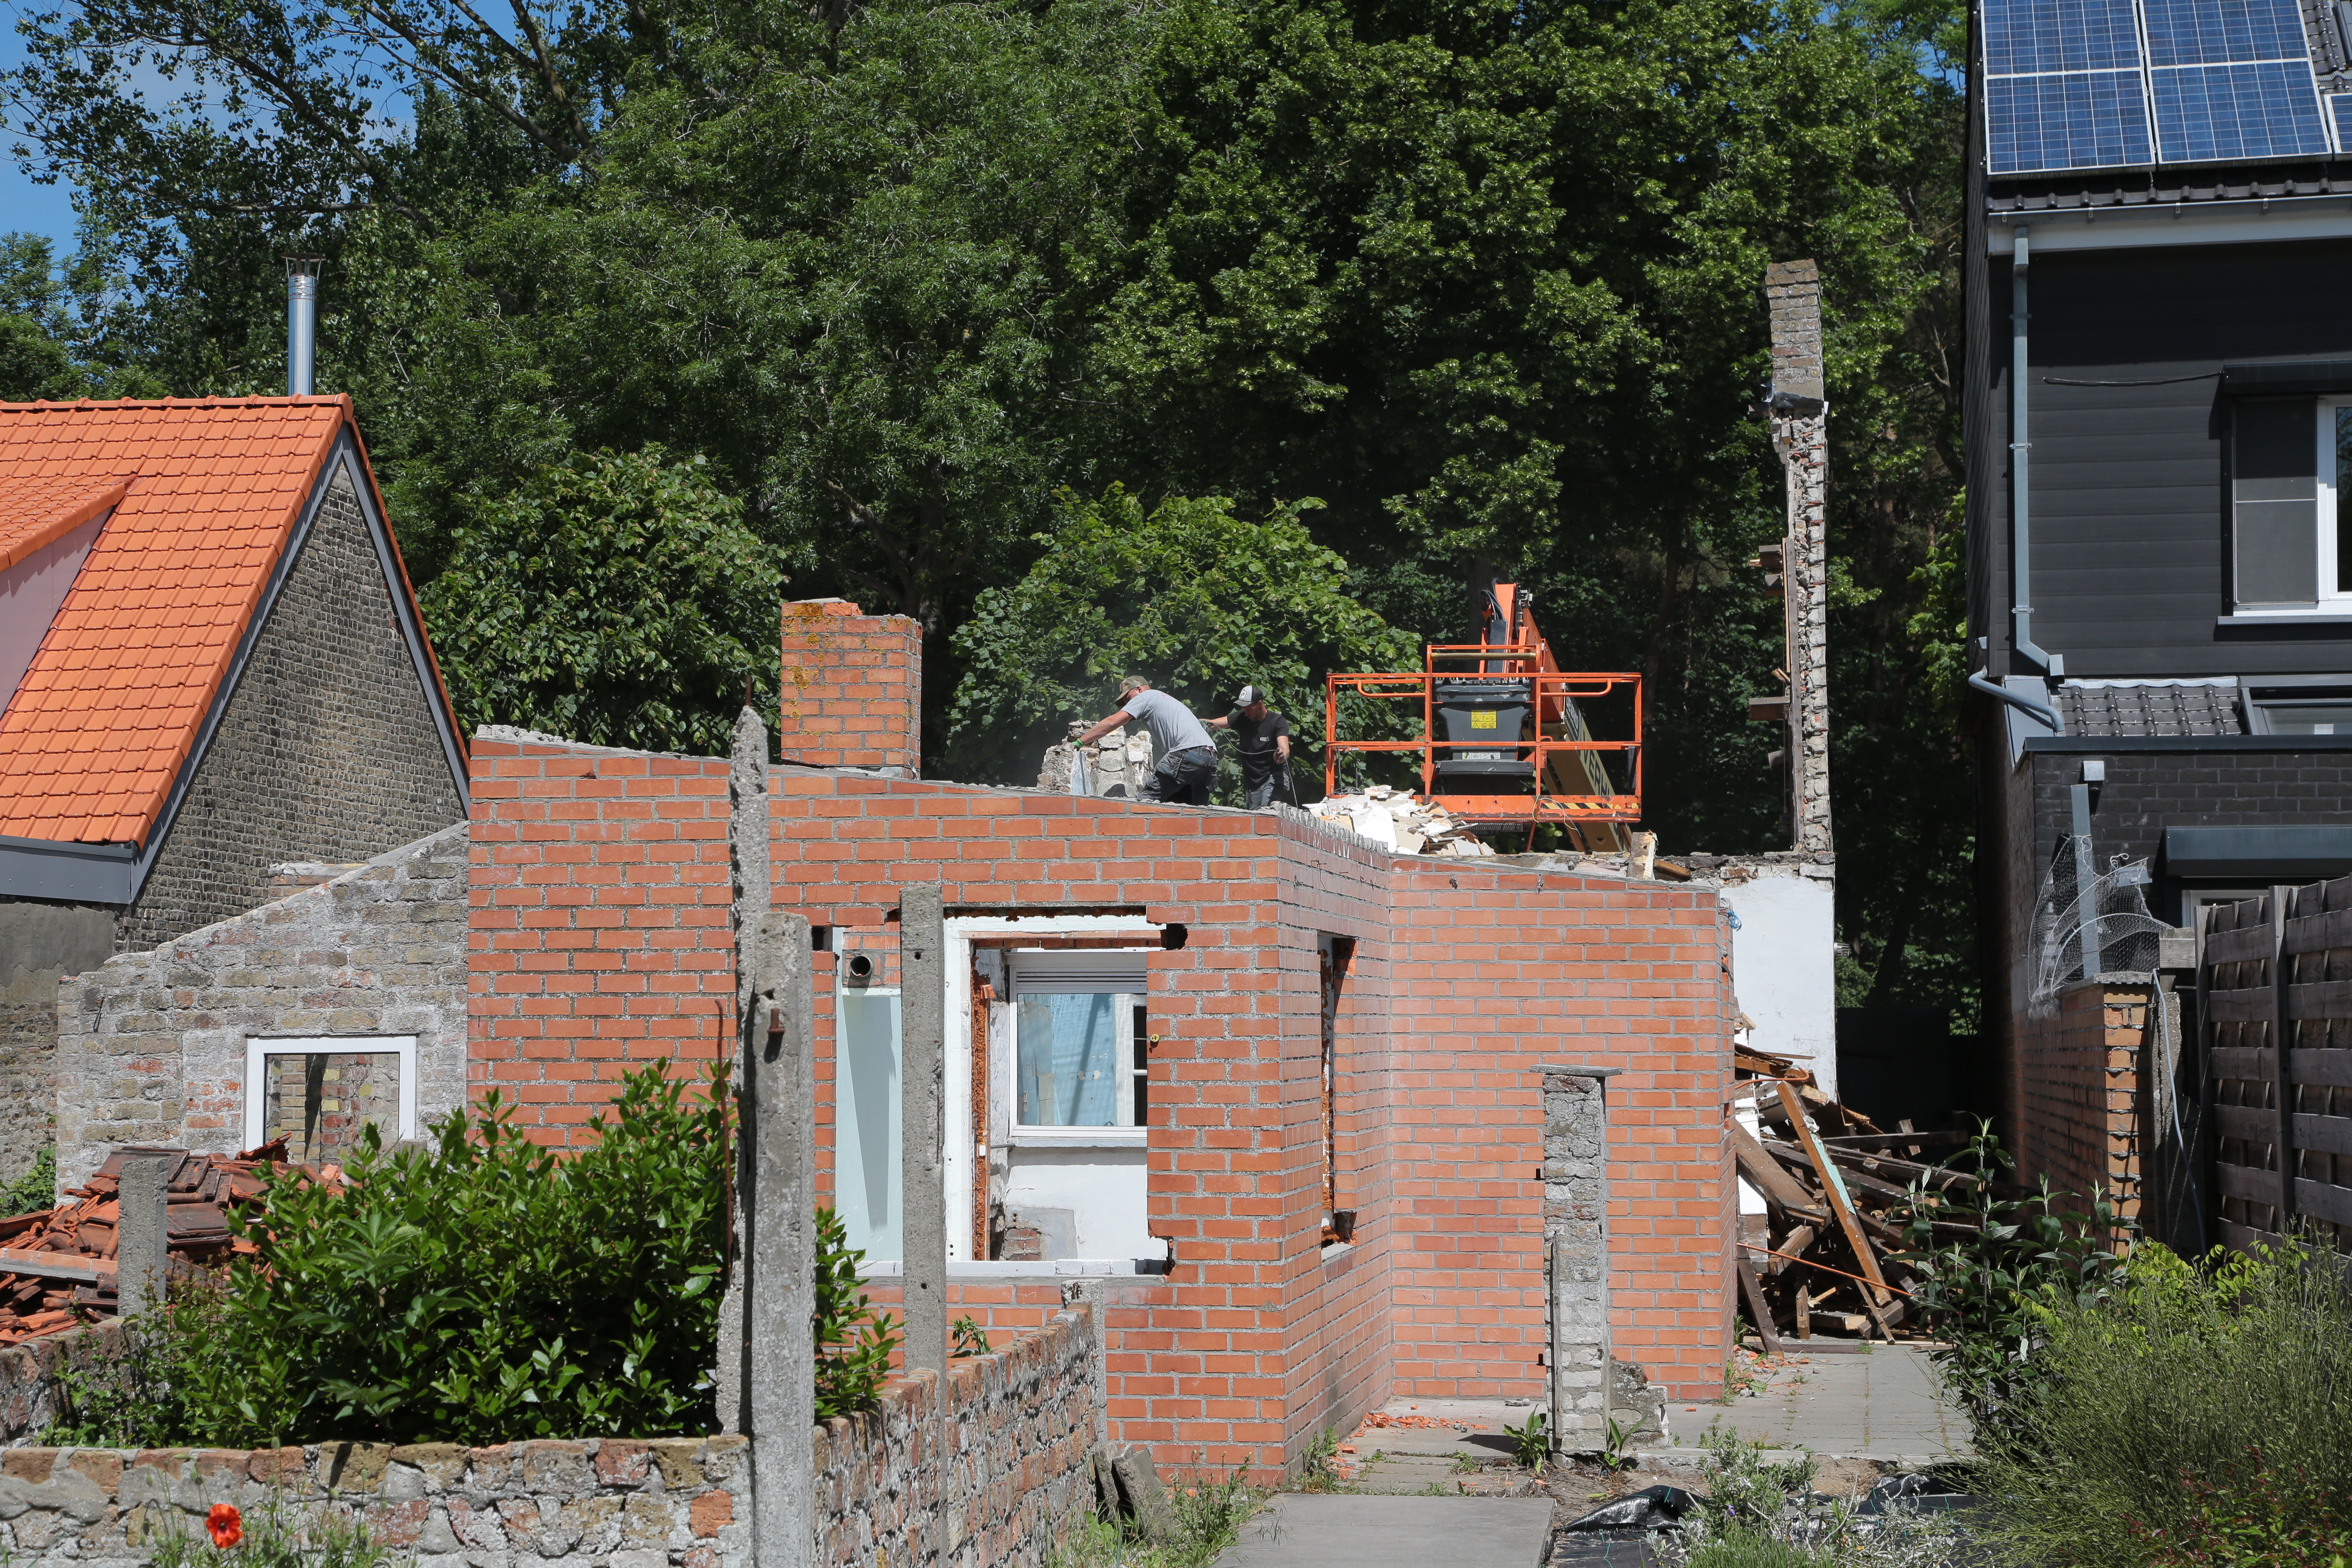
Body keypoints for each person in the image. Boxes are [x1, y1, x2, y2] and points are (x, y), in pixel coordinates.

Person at [1075, 675, 1217, 805]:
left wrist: (1079, 742)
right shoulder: (1166, 699)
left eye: (1128, 697)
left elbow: (1112, 723)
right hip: (1209, 756)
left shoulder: (1145, 697)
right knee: (1194, 811)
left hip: (1187, 752)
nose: (1127, 702)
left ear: (1139, 689)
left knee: (1146, 802)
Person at [1207, 685, 1294, 809]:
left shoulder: (1277, 721)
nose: (1246, 713)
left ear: (1260, 704)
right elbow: (1211, 724)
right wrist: (1195, 722)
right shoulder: (1242, 717)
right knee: (1255, 820)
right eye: (1243, 709)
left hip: (1274, 776)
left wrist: (1281, 755)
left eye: (1249, 709)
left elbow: (1285, 749)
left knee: (1267, 814)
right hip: (1253, 781)